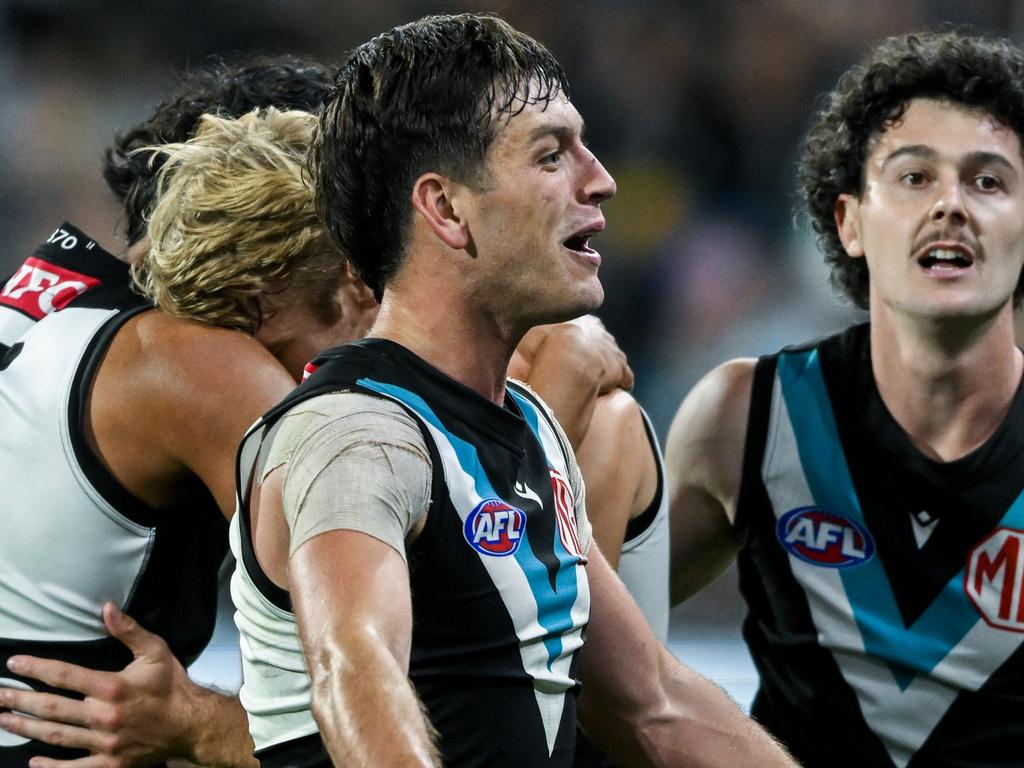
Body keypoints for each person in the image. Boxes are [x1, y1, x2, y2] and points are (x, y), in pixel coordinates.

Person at [0, 63, 632, 768]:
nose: (376, 320)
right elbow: (387, 705)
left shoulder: (54, 298)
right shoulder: (204, 366)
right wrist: (196, 726)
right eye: (362, 286)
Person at [231, 13, 794, 768]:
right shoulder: (359, 437)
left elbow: (653, 705)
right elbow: (356, 673)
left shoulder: (527, 425)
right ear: (447, 209)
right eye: (551, 153)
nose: (601, 178)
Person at [665, 30, 1024, 768]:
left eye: (988, 180)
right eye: (915, 177)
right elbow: (599, 652)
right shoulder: (744, 417)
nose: (952, 205)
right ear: (848, 222)